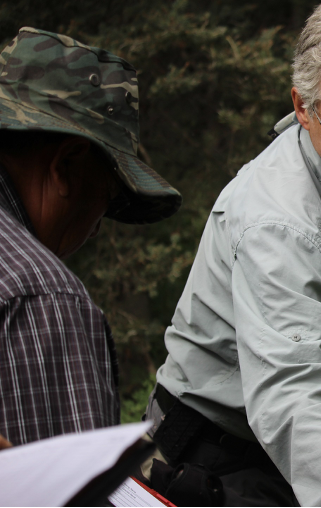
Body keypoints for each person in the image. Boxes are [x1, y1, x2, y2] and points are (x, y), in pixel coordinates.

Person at [145, 0, 321, 505]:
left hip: (291, 449)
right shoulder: (278, 223)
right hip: (208, 455)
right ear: (303, 108)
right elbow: (294, 399)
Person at [0, 28, 181, 447]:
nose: (98, 227)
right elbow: (65, 483)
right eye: (107, 196)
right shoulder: (42, 300)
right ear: (66, 166)